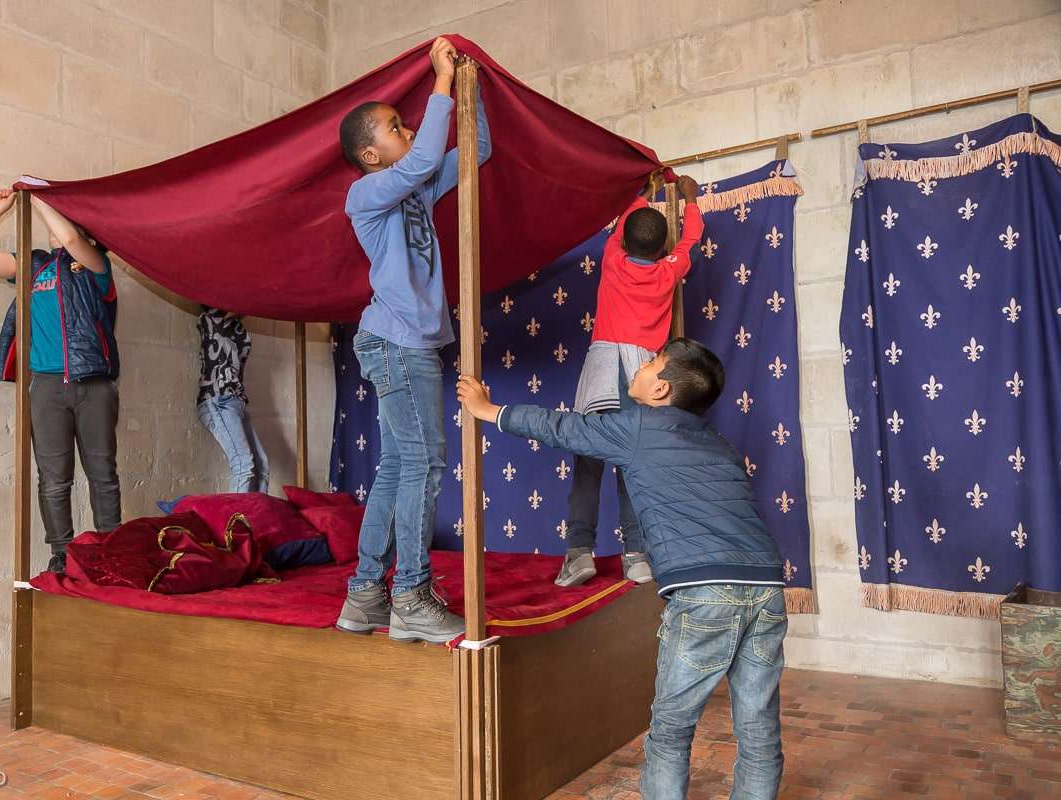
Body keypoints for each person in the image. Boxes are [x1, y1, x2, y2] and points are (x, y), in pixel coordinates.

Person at [457, 338, 786, 800]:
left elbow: (562, 427)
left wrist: (488, 409)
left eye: (652, 362)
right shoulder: (719, 444)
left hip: (704, 592)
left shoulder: (636, 428)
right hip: (766, 585)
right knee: (758, 728)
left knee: (670, 732)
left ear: (659, 392)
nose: (641, 364)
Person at [333, 36, 492, 644]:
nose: (407, 131)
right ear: (373, 155)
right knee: (425, 463)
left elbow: (476, 150)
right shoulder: (365, 194)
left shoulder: (414, 188)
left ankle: (366, 596)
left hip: (411, 345)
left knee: (401, 465)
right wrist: (440, 84)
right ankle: (410, 597)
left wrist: (473, 89)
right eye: (396, 127)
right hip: (395, 344)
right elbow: (424, 159)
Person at [0, 188, 122, 574]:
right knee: (53, 479)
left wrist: (40, 197)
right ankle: (61, 554)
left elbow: (68, 239)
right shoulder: (36, 266)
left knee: (102, 474)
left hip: (94, 384)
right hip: (47, 386)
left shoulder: (95, 268)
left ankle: (115, 548)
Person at [557, 174, 705, 588]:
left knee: (588, 465)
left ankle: (579, 552)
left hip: (601, 373)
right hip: (642, 377)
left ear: (623, 242)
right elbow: (689, 240)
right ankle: (637, 555)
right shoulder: (667, 273)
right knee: (633, 466)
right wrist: (689, 199)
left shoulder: (611, 259)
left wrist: (643, 190)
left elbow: (625, 220)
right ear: (661, 249)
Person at [195, 307, 269, 494]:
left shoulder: (239, 329)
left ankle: (257, 519)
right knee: (243, 463)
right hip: (217, 400)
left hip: (237, 401)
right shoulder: (209, 320)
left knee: (262, 467)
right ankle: (236, 523)